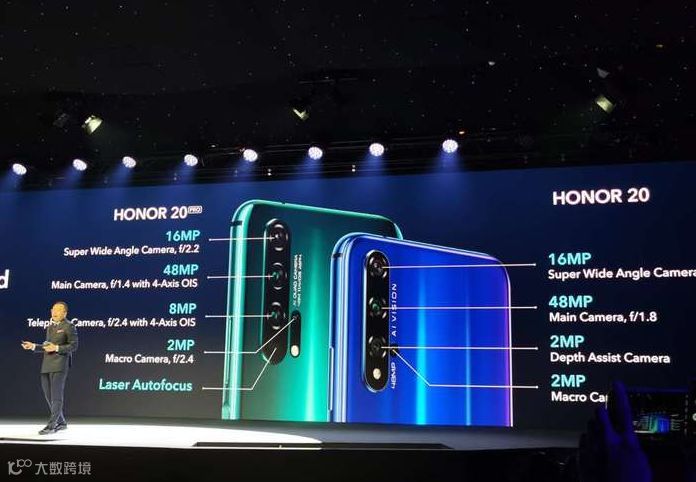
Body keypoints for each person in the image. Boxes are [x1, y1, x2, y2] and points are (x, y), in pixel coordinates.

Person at [21, 301, 79, 435]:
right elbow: (47, 347)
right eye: (53, 309)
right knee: (49, 395)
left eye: (58, 310)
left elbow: (74, 346)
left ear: (65, 313)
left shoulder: (69, 326)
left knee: (56, 396)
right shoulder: (50, 327)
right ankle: (62, 422)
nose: (55, 312)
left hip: (60, 364)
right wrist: (33, 346)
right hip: (47, 364)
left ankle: (52, 425)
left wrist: (57, 348)